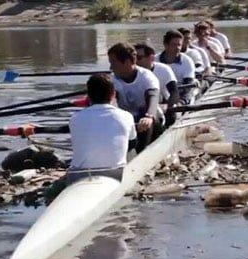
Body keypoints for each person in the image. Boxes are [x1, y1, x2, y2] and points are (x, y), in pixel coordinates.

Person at [43, 73, 137, 201]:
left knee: (48, 193)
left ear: (88, 96)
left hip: (78, 176)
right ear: (113, 94)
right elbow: (132, 144)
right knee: (132, 150)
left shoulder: (75, 118)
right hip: (116, 174)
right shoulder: (127, 116)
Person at [107, 42, 163, 152]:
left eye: (113, 62)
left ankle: (143, 152)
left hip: (148, 118)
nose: (111, 67)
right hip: (128, 119)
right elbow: (110, 101)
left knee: (144, 117)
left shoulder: (147, 77)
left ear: (127, 62)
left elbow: (153, 98)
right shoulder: (113, 80)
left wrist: (149, 117)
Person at [158, 30, 197, 105]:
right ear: (165, 45)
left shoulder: (187, 61)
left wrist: (180, 102)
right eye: (174, 45)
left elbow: (188, 85)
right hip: (161, 95)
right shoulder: (155, 60)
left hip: (182, 94)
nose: (178, 48)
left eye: (179, 45)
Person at [135, 43, 179, 108]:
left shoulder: (163, 69)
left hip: (163, 104)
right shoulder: (130, 71)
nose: (135, 61)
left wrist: (168, 106)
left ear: (151, 58)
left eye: (139, 58)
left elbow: (174, 91)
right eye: (133, 57)